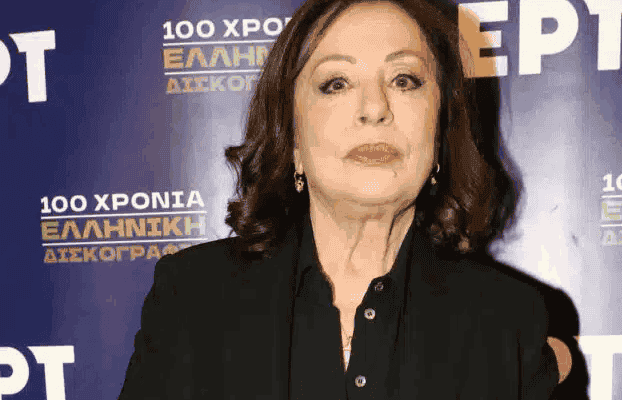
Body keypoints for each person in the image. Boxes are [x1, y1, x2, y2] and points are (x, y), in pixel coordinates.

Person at [119, 0, 573, 398]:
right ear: (291, 137)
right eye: (336, 83)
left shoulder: (508, 322)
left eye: (404, 80)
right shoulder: (192, 299)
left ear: (440, 133)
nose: (374, 108)